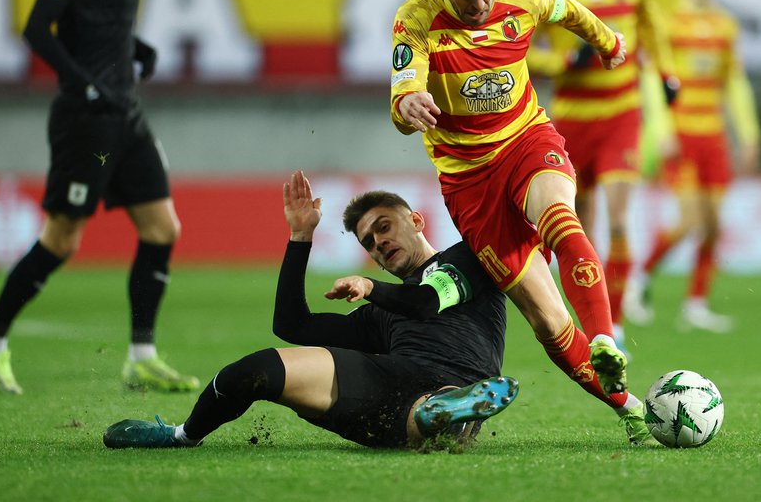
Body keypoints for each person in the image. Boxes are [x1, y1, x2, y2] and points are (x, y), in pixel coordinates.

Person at [390, 0, 653, 445]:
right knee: (547, 320)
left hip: (527, 140)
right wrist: (407, 104)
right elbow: (403, 88)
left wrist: (609, 42)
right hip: (469, 180)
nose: (481, 2)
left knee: (560, 216)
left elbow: (571, 11)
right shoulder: (416, 18)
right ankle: (634, 410)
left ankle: (605, 335)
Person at [0, 0, 198, 394]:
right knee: (62, 239)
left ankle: (141, 356)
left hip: (126, 113)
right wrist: (82, 83)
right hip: (87, 119)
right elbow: (36, 28)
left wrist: (134, 48)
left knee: (163, 229)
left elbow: (93, 26)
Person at [103, 171, 518, 449]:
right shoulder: (379, 316)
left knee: (434, 398)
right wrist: (300, 238)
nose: (378, 243)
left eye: (384, 227)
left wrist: (371, 287)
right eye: (368, 242)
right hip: (392, 383)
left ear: (416, 220)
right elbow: (291, 325)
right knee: (253, 370)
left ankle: (447, 410)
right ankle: (180, 436)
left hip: (461, 376)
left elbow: (424, 302)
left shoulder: (467, 258)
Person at [526, 0, 679, 352]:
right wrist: (563, 60)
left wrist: (667, 72)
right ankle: (597, 322)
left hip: (621, 115)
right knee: (581, 227)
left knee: (617, 219)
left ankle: (618, 325)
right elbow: (523, 49)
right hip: (572, 121)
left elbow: (654, 32)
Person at [623, 0, 761, 333]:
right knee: (689, 221)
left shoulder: (724, 25)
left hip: (713, 136)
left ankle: (696, 304)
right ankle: (640, 278)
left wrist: (749, 133)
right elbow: (653, 78)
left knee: (714, 225)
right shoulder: (667, 24)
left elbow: (734, 82)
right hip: (680, 134)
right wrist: (662, 129)